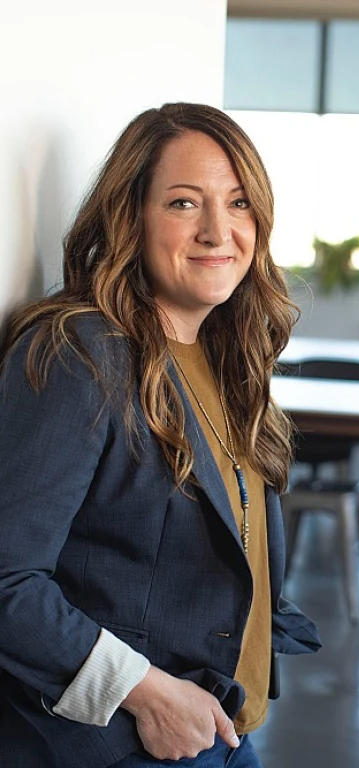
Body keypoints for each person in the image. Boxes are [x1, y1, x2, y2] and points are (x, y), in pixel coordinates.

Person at [0, 103, 321, 767]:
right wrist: (143, 692)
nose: (217, 230)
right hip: (127, 741)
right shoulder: (80, 354)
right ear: (132, 217)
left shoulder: (227, 356)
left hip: (221, 728)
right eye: (183, 203)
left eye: (238, 203)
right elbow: (7, 579)